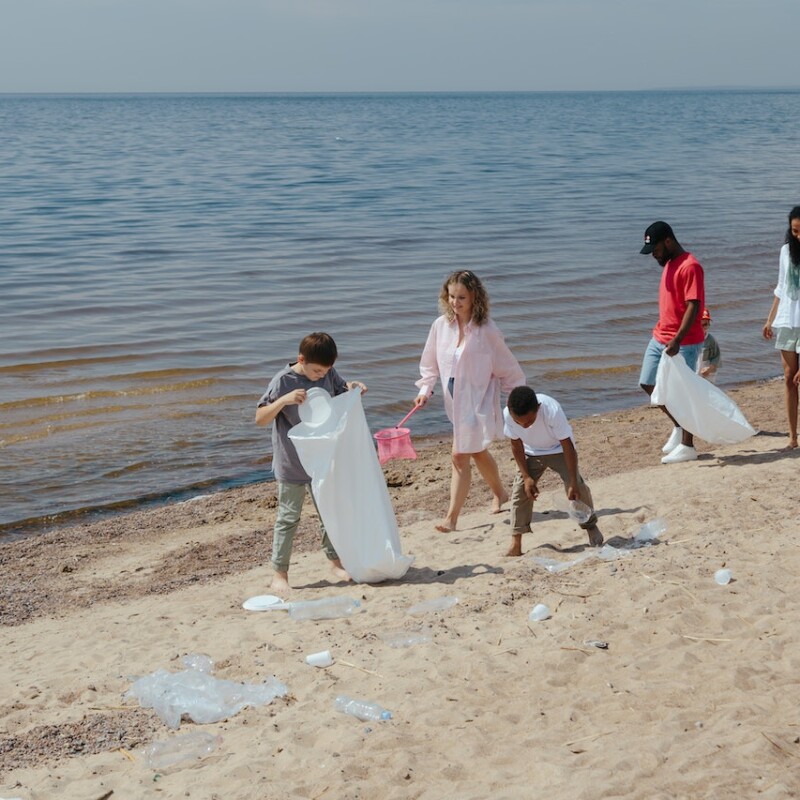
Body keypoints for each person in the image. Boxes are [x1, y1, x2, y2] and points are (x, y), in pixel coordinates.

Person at [415, 270, 525, 533]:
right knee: (475, 450)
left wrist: (519, 401)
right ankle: (500, 493)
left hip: (479, 398)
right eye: (451, 296)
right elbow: (429, 364)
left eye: (461, 297)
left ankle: (451, 518)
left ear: (475, 296)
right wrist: (425, 390)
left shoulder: (487, 331)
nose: (455, 302)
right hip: (454, 399)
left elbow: (508, 368)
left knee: (459, 455)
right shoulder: (440, 326)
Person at [255, 332, 367, 591]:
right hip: (292, 462)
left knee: (328, 513)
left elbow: (340, 393)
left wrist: (352, 388)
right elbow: (260, 417)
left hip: (322, 460)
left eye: (325, 371)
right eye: (316, 371)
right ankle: (280, 574)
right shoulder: (284, 381)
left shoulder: (328, 373)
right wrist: (284, 400)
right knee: (288, 517)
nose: (320, 376)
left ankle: (335, 562)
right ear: (301, 359)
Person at [503, 385, 603, 556]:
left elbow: (567, 445)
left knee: (578, 488)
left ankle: (590, 526)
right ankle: (516, 543)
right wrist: (527, 477)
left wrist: (572, 480)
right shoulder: (508, 414)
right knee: (520, 491)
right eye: (520, 422)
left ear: (538, 409)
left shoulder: (551, 410)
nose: (524, 426)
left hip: (559, 449)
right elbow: (516, 445)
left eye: (529, 421)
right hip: (531, 452)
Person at [639, 221, 706, 464]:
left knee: (685, 393)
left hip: (684, 341)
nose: (654, 256)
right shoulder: (668, 263)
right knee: (647, 382)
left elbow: (694, 305)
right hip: (660, 337)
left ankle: (688, 446)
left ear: (668, 241)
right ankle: (679, 426)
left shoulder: (691, 266)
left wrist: (677, 339)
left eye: (655, 250)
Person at [763, 205, 800, 449]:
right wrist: (769, 319)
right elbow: (781, 287)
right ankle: (793, 437)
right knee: (789, 378)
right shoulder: (785, 251)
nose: (798, 236)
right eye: (795, 231)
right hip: (788, 320)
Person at [697, 307, 722, 383]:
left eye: (705, 325)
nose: (702, 328)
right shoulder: (688, 339)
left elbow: (716, 358)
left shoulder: (710, 340)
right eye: (699, 324)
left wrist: (709, 368)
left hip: (705, 375)